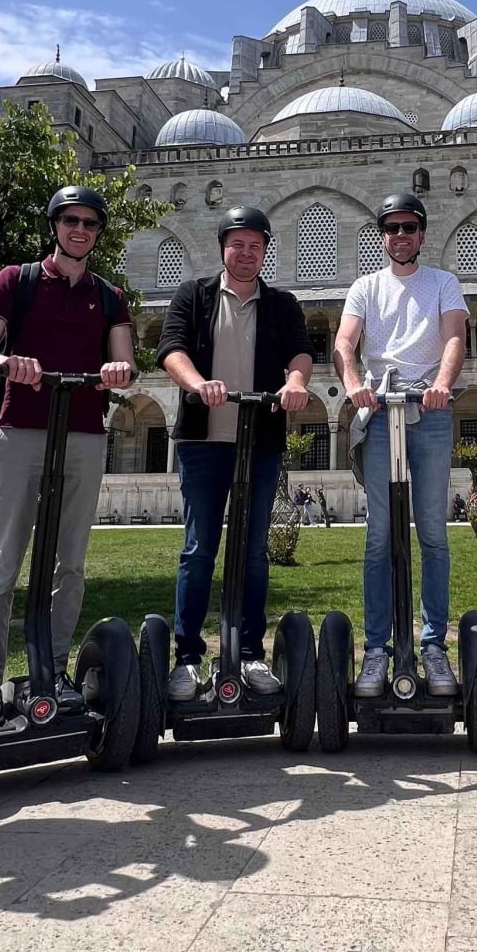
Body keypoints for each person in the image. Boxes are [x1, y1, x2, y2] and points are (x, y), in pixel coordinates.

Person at [0, 185, 137, 726]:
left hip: (84, 432)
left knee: (71, 563)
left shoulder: (110, 295)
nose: (79, 230)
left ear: (97, 232)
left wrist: (117, 372)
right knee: (4, 557)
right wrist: (3, 357)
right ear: (55, 225)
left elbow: (125, 361)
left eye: (89, 222)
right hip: (22, 429)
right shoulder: (17, 280)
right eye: (70, 220)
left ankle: (52, 669)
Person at [157, 207, 313, 701]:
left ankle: (249, 653)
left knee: (253, 550)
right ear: (222, 247)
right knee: (199, 548)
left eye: (255, 246)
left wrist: (295, 382)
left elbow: (301, 352)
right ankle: (187, 658)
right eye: (237, 244)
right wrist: (198, 384)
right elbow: (171, 349)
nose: (246, 254)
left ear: (265, 250)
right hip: (205, 443)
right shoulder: (194, 295)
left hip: (260, 440)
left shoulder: (282, 303)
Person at [333, 193, 467, 699]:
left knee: (432, 532)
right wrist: (351, 382)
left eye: (409, 227)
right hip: (380, 409)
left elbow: (454, 336)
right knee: (379, 536)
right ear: (382, 236)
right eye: (391, 228)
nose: (400, 235)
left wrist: (443, 384)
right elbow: (346, 343)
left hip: (428, 411)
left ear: (422, 234)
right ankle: (376, 649)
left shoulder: (443, 283)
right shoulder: (366, 288)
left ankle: (433, 644)